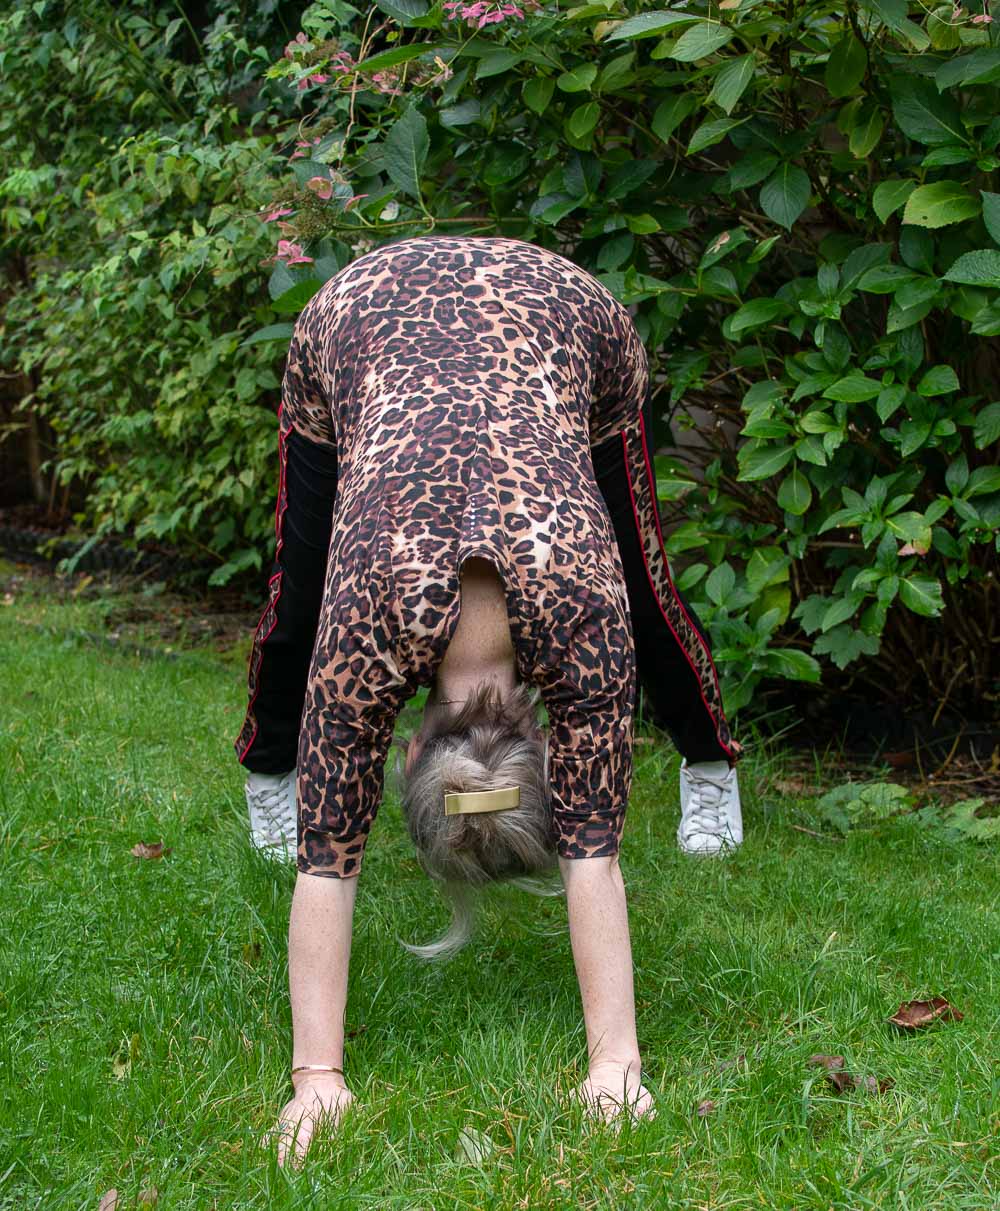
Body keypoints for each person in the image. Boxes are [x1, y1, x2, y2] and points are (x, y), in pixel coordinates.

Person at [233, 236, 741, 1161]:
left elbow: (329, 869)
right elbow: (595, 857)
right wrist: (609, 1070)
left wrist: (321, 1081)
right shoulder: (532, 635)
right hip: (355, 320)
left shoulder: (541, 629)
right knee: (300, 591)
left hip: (564, 319)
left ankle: (714, 757)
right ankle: (271, 770)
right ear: (415, 753)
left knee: (648, 584)